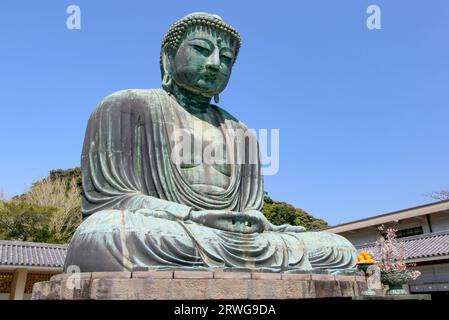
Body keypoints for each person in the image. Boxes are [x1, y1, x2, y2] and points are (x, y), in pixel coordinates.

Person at [64, 12, 357, 273]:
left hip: (230, 240)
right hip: (169, 230)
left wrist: (255, 222)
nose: (216, 63)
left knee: (339, 248)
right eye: (202, 50)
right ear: (168, 56)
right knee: (104, 235)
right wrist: (193, 215)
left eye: (227, 58)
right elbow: (109, 200)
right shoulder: (125, 107)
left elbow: (250, 208)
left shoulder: (242, 132)